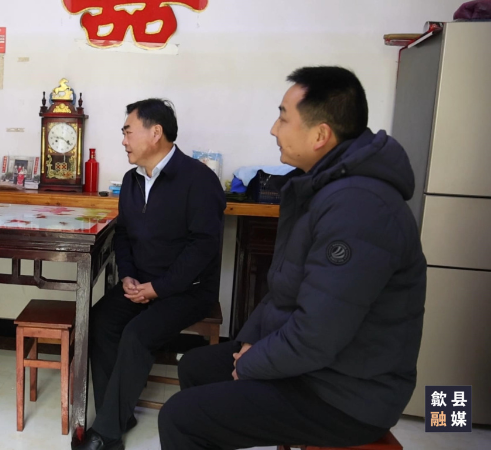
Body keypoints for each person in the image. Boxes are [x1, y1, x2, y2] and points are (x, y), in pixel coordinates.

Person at [158, 66, 427, 449]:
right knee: (197, 366)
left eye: (283, 118)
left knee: (181, 418)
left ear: (320, 135)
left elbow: (319, 333)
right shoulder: (326, 188)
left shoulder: (359, 207)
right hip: (322, 367)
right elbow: (284, 292)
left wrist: (252, 362)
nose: (274, 129)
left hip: (348, 393)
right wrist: (248, 346)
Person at [73, 99, 227, 450]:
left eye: (128, 131)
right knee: (100, 320)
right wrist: (127, 276)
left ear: (156, 133)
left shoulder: (198, 179)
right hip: (141, 284)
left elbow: (203, 247)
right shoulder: (132, 180)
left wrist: (159, 288)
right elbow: (124, 234)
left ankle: (107, 435)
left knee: (137, 333)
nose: (123, 140)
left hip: (188, 291)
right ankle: (118, 414)